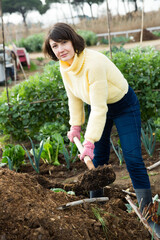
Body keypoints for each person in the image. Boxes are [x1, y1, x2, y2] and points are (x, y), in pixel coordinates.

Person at [43, 22, 160, 236]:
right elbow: (74, 97)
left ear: (73, 41)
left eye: (63, 43)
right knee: (99, 159)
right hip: (99, 107)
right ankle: (95, 204)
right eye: (55, 46)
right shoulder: (65, 66)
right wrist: (75, 126)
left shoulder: (92, 63)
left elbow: (99, 108)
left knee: (133, 158)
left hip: (124, 106)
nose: (60, 49)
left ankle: (149, 215)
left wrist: (88, 143)